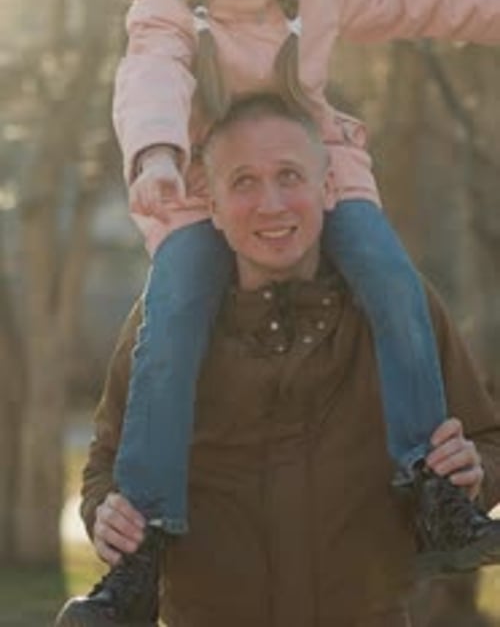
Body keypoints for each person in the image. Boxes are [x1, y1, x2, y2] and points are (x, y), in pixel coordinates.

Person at [59, 0, 500, 624]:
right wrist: (156, 152)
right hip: (196, 193)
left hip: (330, 174)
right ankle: (141, 550)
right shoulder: (164, 5)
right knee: (176, 311)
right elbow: (149, 74)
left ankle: (432, 489)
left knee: (392, 280)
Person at [56, 94, 500, 627]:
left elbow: (487, 441)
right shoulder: (164, 327)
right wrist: (106, 516)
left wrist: (473, 475)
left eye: (289, 175)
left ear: (328, 186)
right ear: (210, 204)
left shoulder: (401, 307)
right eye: (243, 181)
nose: (271, 204)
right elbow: (105, 469)